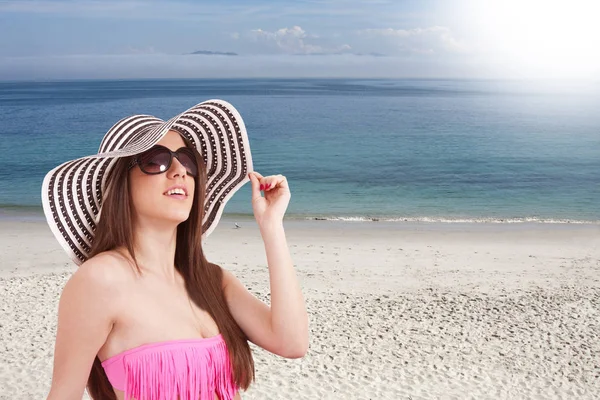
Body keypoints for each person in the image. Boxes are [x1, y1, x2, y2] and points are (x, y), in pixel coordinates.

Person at [42, 100, 309, 400]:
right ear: (121, 184)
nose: (180, 170)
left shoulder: (212, 281)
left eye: (188, 161)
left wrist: (271, 226)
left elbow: (292, 342)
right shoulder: (99, 281)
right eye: (157, 160)